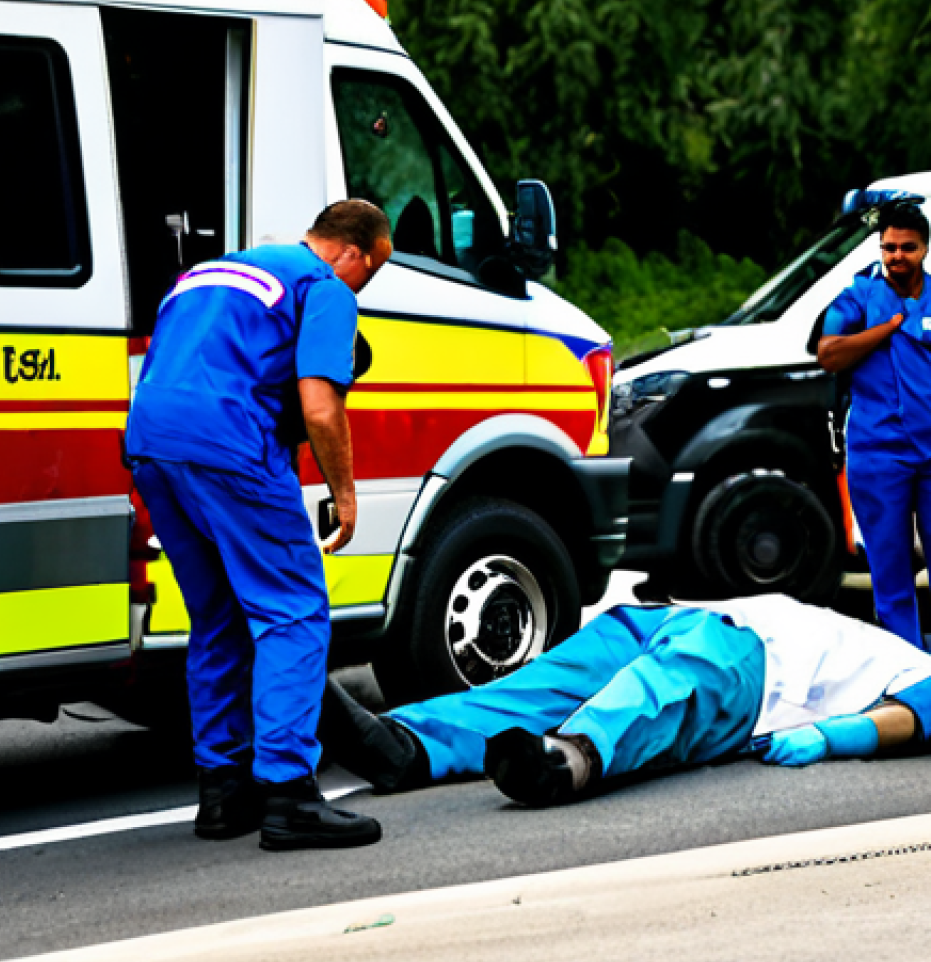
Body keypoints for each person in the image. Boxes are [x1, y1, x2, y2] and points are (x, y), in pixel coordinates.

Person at [126, 200, 393, 850]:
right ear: (351, 252)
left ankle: (223, 795)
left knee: (217, 618)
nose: (363, 287)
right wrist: (345, 494)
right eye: (371, 272)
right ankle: (290, 795)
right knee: (293, 613)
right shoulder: (322, 286)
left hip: (151, 443)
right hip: (231, 446)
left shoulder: (209, 273)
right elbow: (320, 406)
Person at [320, 595, 931, 807]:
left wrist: (834, 738)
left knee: (661, 692)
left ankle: (570, 758)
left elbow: (908, 718)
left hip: (762, 670)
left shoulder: (921, 668)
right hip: (698, 617)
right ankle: (405, 745)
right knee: (532, 689)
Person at [818, 201, 931, 650]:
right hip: (878, 454)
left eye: (907, 247)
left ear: (924, 249)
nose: (897, 256)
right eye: (889, 248)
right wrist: (886, 328)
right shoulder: (857, 298)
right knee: (891, 572)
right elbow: (830, 354)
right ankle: (912, 678)